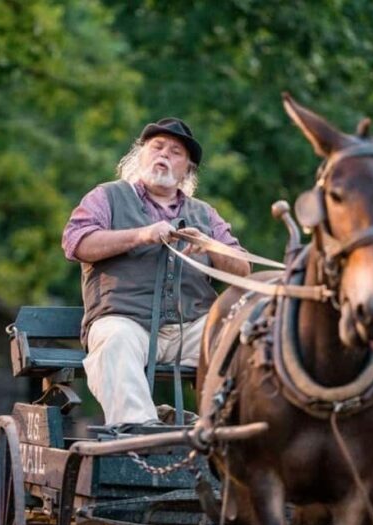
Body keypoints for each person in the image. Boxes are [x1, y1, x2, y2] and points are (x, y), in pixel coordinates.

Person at [62, 118, 250, 426]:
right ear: (140, 156)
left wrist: (212, 247)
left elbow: (243, 269)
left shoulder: (205, 214)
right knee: (115, 340)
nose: (164, 154)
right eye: (157, 147)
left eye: (176, 152)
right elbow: (76, 243)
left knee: (241, 342)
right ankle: (139, 431)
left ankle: (223, 431)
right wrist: (141, 235)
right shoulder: (107, 196)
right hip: (125, 321)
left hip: (191, 327)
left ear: (187, 170)